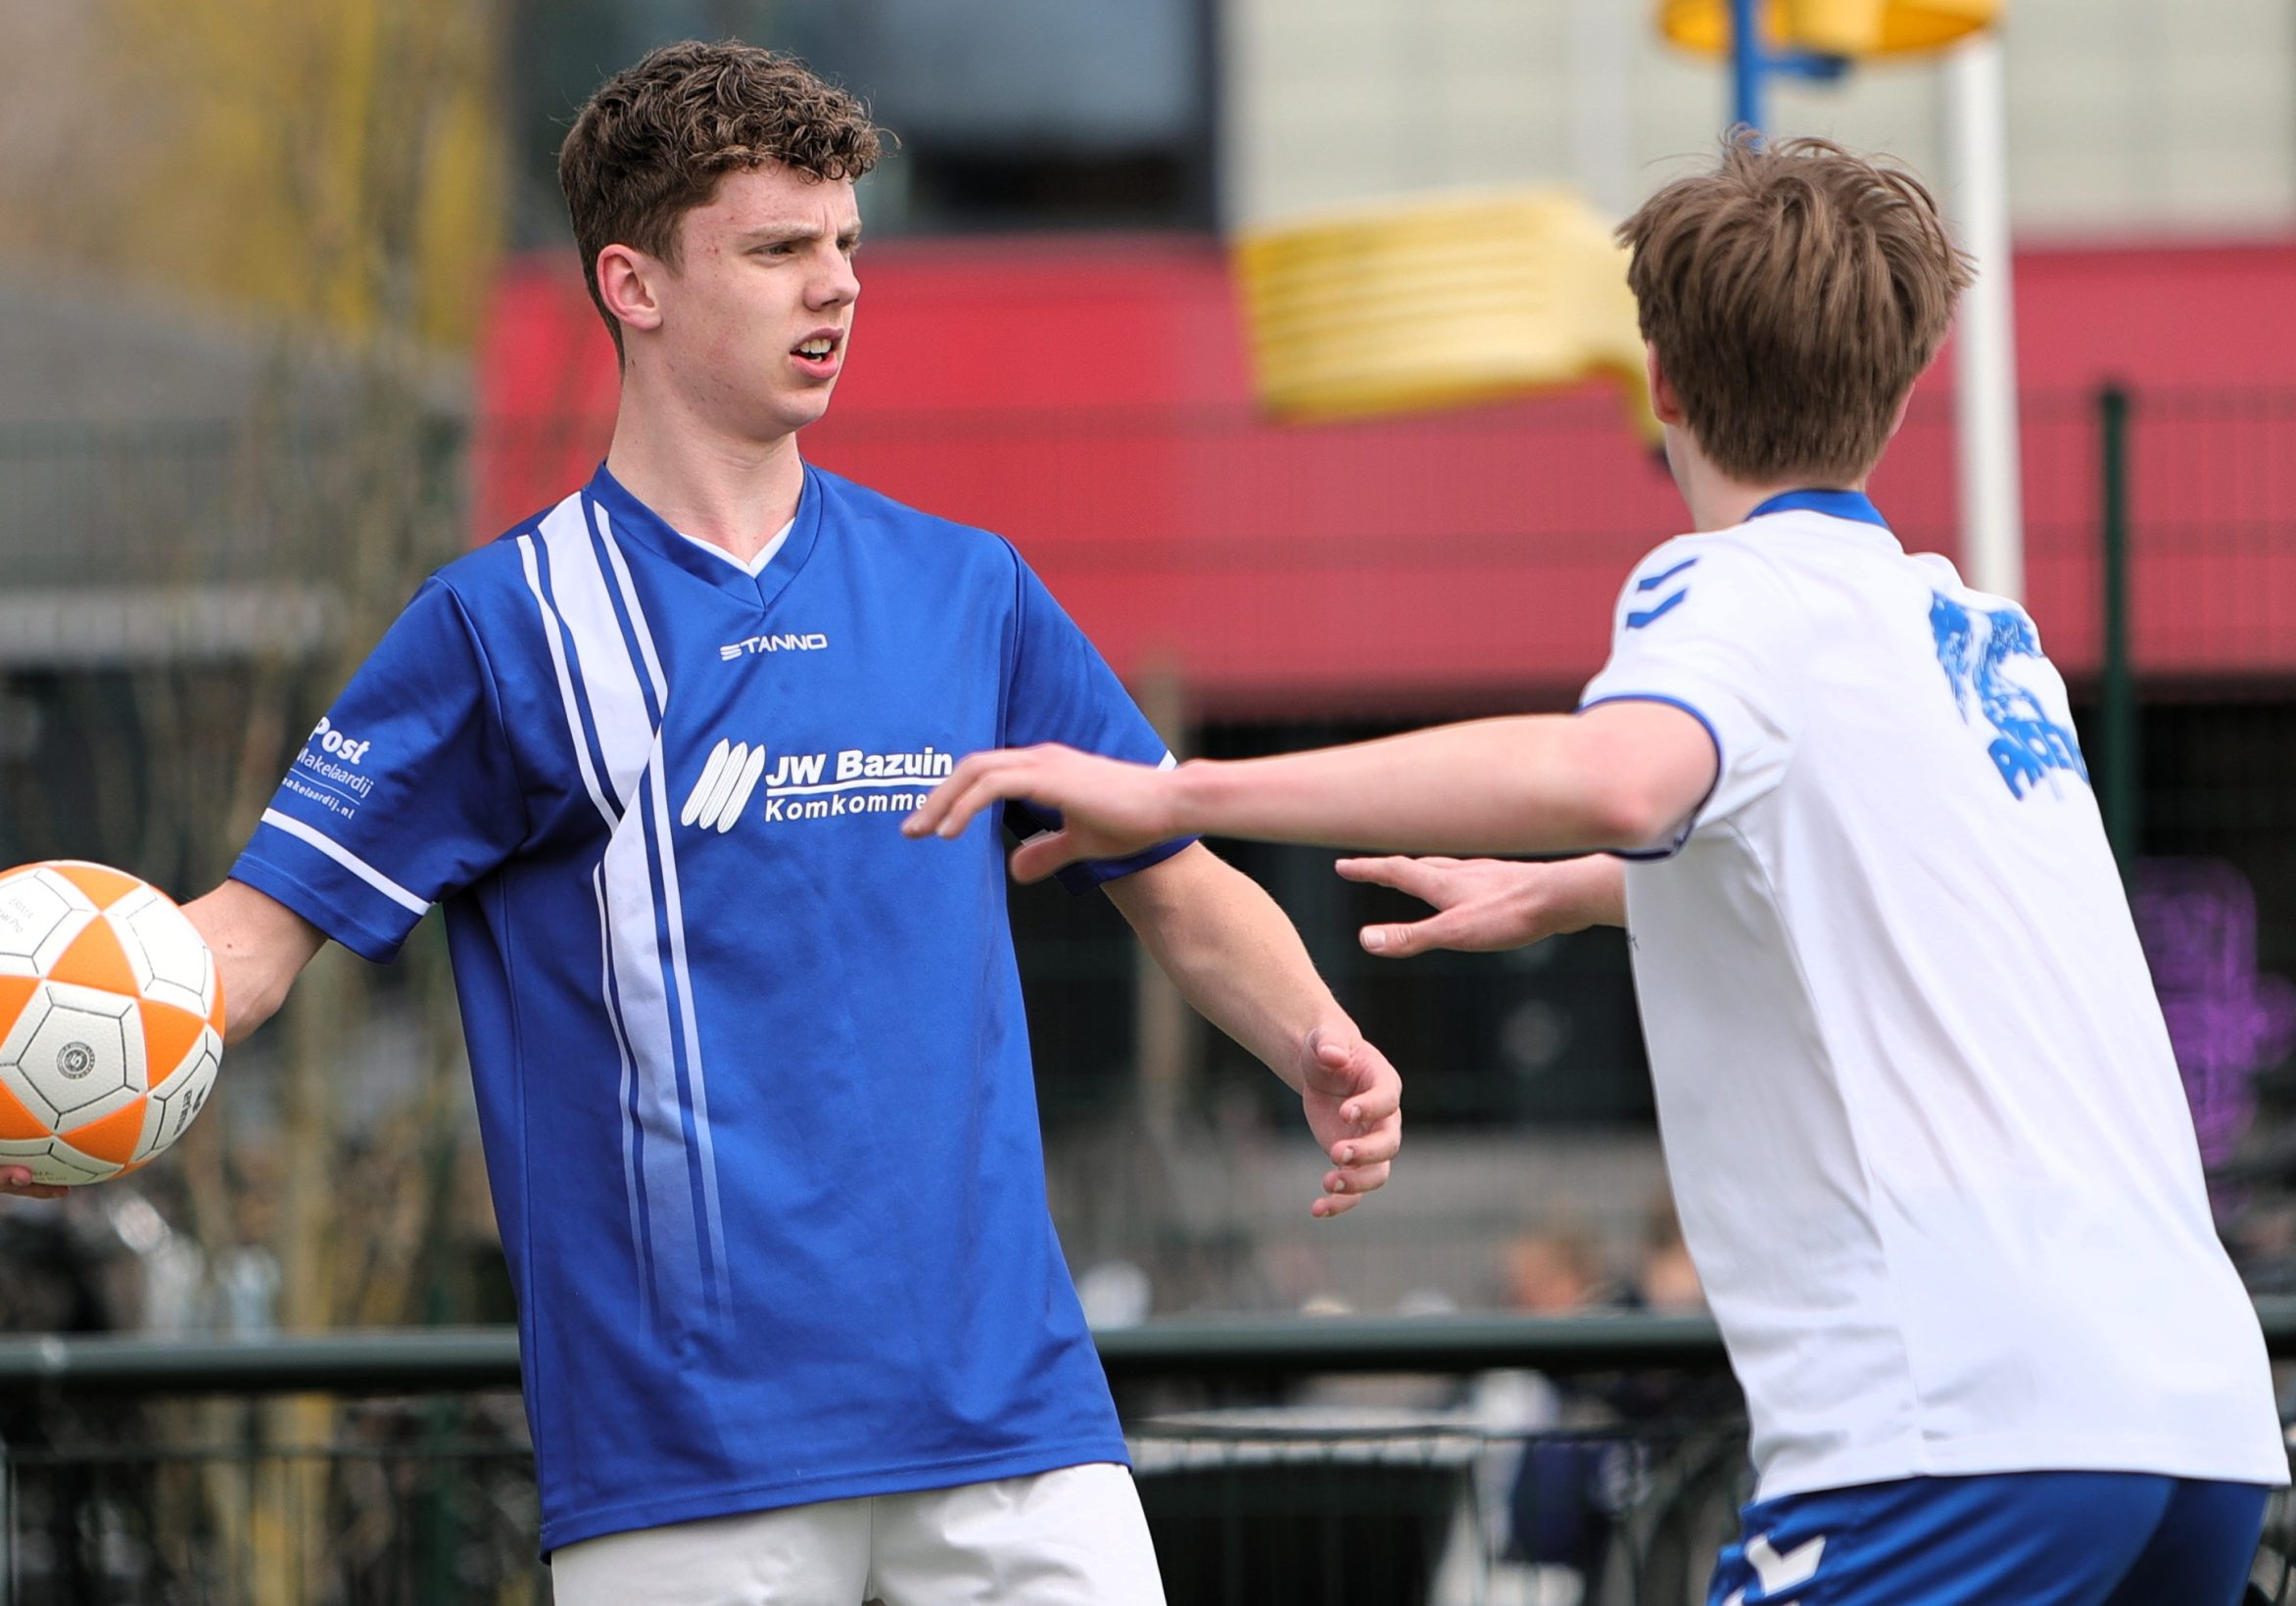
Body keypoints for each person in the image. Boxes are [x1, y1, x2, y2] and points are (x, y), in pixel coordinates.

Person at [0, 40, 1405, 1605]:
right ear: (635, 283)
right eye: (779, 248)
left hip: (1013, 1432)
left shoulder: (971, 590)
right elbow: (245, 945)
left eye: (846, 243)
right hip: (686, 1467)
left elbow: (1173, 874)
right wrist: (25, 1078)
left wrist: (1315, 1037)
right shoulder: (502, 627)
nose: (837, 285)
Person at [906, 133, 2286, 1604]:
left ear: (1663, 383)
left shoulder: (1731, 585)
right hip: (2194, 1420)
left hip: (1962, 1424)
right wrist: (1584, 886)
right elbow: (1876, 880)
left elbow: (1620, 775)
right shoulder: (1981, 638)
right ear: (1905, 385)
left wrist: (1180, 787)